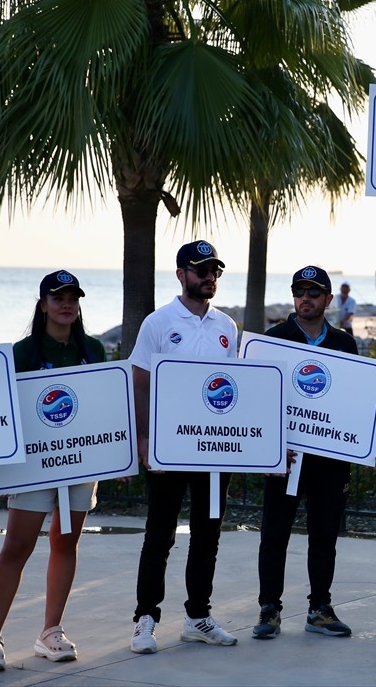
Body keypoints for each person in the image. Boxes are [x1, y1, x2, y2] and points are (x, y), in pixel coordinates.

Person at [0, 270, 107, 672]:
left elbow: (103, 407)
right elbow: (1, 411)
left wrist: (113, 456)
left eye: (73, 297)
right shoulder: (22, 352)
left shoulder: (93, 349)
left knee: (66, 543)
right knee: (17, 546)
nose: (66, 304)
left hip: (80, 464)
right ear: (43, 304)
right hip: (33, 464)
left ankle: (51, 631)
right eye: (58, 297)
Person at [129, 240, 239, 653]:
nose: (209, 276)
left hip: (214, 452)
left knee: (207, 534)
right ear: (181, 274)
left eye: (214, 270)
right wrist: (143, 437)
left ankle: (198, 616)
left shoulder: (227, 327)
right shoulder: (158, 323)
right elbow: (140, 383)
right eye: (200, 269)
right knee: (159, 535)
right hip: (168, 450)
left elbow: (234, 388)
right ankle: (145, 618)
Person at [251, 266, 359, 640]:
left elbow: (350, 402)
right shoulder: (274, 339)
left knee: (324, 535)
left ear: (329, 300)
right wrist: (269, 450)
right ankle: (269, 609)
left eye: (314, 292)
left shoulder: (345, 343)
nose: (306, 298)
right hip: (285, 459)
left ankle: (320, 609)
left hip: (330, 459)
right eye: (300, 291)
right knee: (274, 534)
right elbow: (258, 400)